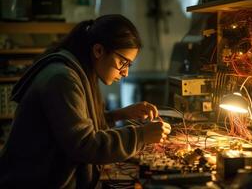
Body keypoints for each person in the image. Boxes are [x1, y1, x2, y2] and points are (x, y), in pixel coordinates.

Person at [0, 14, 171, 188]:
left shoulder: (77, 70)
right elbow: (84, 144)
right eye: (123, 62)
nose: (125, 72)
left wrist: (120, 114)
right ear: (98, 50)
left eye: (129, 65)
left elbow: (76, 124)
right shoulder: (62, 78)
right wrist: (141, 135)